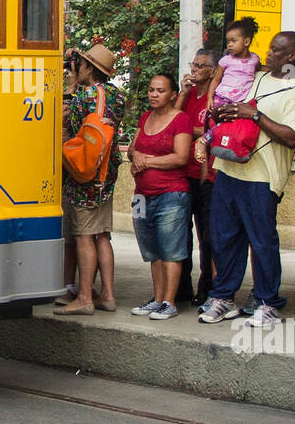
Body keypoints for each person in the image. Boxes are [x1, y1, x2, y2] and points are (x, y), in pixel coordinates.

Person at [199, 32, 295, 328]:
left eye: (277, 50)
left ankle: (267, 302)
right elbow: (239, 106)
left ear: (292, 56)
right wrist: (227, 112)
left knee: (262, 242)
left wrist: (255, 115)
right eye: (270, 48)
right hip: (230, 168)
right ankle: (224, 297)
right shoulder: (259, 78)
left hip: (263, 177)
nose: (268, 53)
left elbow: (291, 137)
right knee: (224, 238)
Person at [55, 44, 125, 316]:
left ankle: (84, 297)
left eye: (80, 64)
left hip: (84, 174)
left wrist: (69, 94)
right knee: (102, 235)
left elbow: (69, 131)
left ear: (88, 68)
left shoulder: (82, 98)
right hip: (106, 172)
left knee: (83, 236)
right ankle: (106, 294)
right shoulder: (117, 97)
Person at [128, 73, 193, 320]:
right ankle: (156, 299)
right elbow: (133, 149)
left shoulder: (181, 120)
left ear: (173, 94)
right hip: (140, 196)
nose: (154, 94)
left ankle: (169, 301)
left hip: (171, 194)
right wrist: (136, 157)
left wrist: (147, 161)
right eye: (151, 90)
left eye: (161, 90)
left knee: (171, 250)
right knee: (151, 251)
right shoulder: (145, 117)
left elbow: (180, 157)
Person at [175, 48, 217, 305]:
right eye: (194, 64)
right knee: (182, 234)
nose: (194, 69)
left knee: (207, 236)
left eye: (201, 66)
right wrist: (182, 92)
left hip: (205, 173)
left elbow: (211, 129)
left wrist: (187, 131)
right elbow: (173, 120)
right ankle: (181, 288)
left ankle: (207, 288)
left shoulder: (214, 96)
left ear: (212, 70)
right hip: (183, 173)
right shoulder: (189, 94)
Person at [206, 17, 260, 109]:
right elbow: (216, 80)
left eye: (234, 41)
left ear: (246, 42)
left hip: (242, 101)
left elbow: (259, 70)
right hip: (222, 98)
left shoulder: (254, 59)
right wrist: (209, 98)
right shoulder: (225, 60)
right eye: (228, 42)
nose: (229, 45)